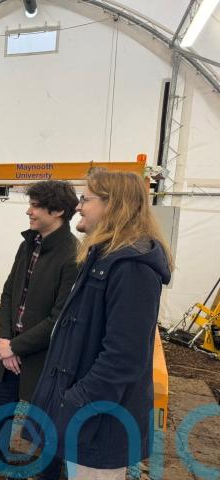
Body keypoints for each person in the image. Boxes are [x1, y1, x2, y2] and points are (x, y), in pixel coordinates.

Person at [27, 169, 172, 480]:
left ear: (113, 204)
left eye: (86, 199)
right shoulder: (103, 257)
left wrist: (76, 401)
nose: (79, 206)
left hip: (99, 423)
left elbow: (123, 358)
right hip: (86, 416)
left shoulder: (131, 267)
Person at [0, 181, 79, 480]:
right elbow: (8, 294)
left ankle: (48, 475)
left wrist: (16, 347)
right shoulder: (28, 244)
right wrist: (5, 341)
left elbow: (59, 318)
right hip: (9, 349)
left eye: (36, 206)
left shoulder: (73, 256)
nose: (29, 211)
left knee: (46, 422)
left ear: (58, 211)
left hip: (44, 357)